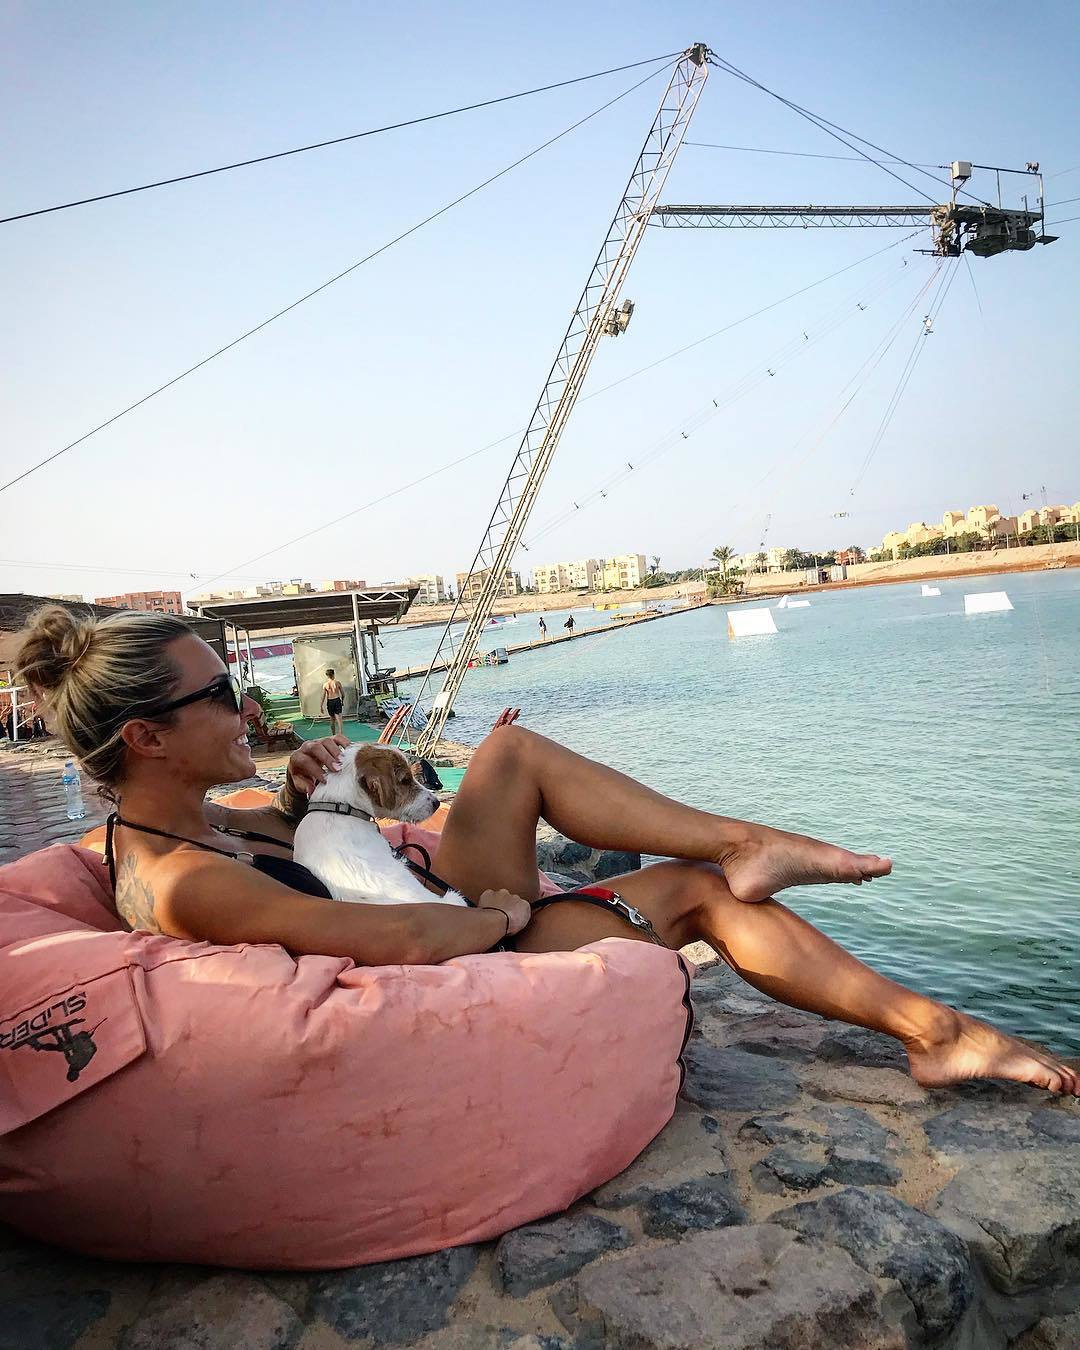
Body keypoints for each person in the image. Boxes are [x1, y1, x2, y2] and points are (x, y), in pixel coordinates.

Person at [14, 605, 1078, 1100]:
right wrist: (500, 914)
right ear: (147, 737)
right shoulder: (185, 881)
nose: (246, 704)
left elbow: (328, 855)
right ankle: (936, 1030)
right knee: (698, 895)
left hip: (437, 902)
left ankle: (755, 846)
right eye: (220, 693)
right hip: (460, 950)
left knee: (510, 752)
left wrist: (302, 796)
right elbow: (394, 939)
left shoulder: (210, 824)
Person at [321, 668, 344, 737]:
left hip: (330, 701)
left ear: (327, 675)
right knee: (339, 718)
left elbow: (323, 696)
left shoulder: (325, 685)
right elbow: (343, 694)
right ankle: (340, 734)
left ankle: (333, 735)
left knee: (332, 719)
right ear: (333, 674)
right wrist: (342, 700)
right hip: (337, 700)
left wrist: (321, 706)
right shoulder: (337, 683)